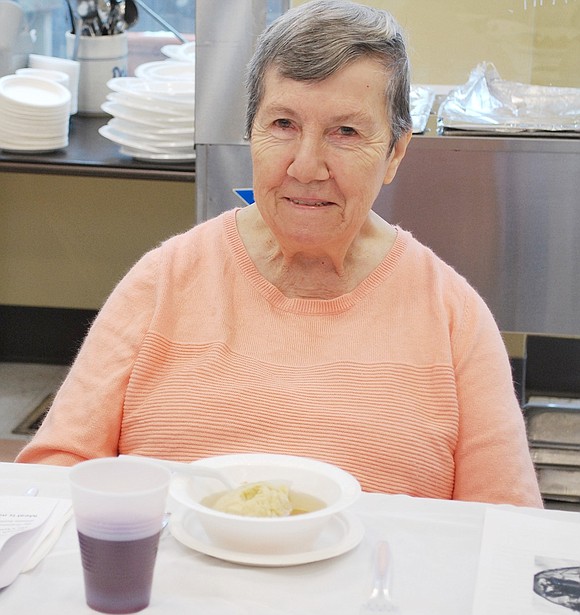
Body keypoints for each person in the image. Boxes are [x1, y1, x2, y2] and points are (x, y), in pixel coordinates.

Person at [17, 0, 542, 507]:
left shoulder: (454, 316)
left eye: (346, 132)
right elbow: (55, 471)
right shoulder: (163, 281)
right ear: (251, 132)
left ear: (395, 152)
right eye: (283, 125)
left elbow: (506, 529)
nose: (307, 166)